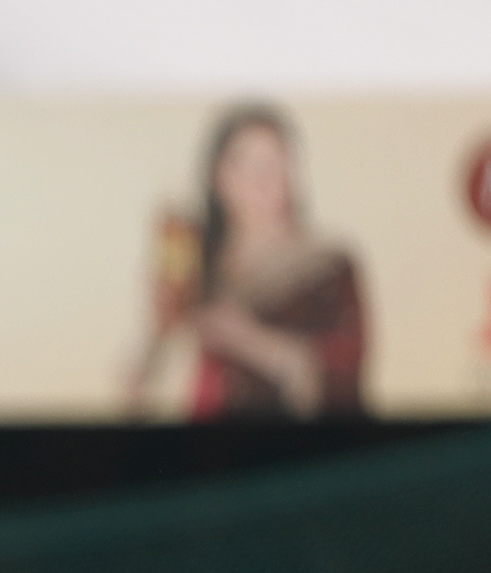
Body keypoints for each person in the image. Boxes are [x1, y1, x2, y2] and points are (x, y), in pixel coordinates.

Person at [128, 104, 365, 421]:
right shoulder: (201, 264)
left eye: (279, 161)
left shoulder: (330, 265)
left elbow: (342, 378)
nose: (268, 179)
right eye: (251, 165)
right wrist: (157, 328)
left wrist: (245, 338)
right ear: (219, 177)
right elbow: (136, 389)